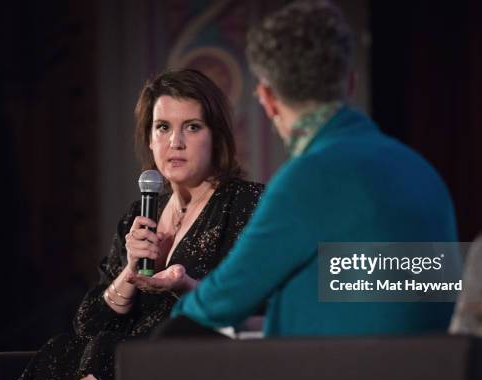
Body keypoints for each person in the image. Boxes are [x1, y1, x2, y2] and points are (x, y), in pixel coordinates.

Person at [167, 0, 459, 336]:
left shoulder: (307, 179)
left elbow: (222, 301)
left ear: (268, 98)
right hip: (428, 379)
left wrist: (174, 314)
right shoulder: (421, 169)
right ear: (349, 84)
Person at [18, 69, 264, 380]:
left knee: (108, 351)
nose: (175, 142)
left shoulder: (245, 203)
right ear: (149, 138)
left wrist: (184, 284)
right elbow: (87, 324)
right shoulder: (140, 214)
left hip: (194, 359)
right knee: (62, 350)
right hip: (124, 354)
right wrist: (129, 271)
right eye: (163, 127)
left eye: (192, 127)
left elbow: (254, 305)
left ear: (216, 137)